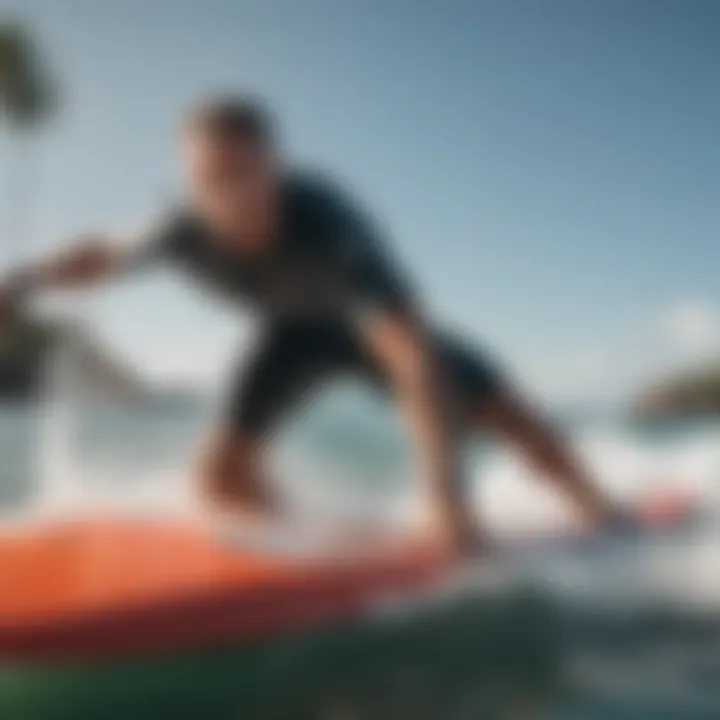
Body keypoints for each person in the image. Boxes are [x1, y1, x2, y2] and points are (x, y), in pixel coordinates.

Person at [0, 97, 619, 557]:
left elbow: (411, 355)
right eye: (210, 180)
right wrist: (20, 282)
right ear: (191, 179)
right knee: (218, 477)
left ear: (276, 167)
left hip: (367, 329)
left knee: (516, 421)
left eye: (246, 174)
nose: (230, 198)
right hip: (289, 338)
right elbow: (101, 256)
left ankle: (605, 515)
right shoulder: (178, 227)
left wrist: (446, 498)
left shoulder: (327, 222)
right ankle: (298, 546)